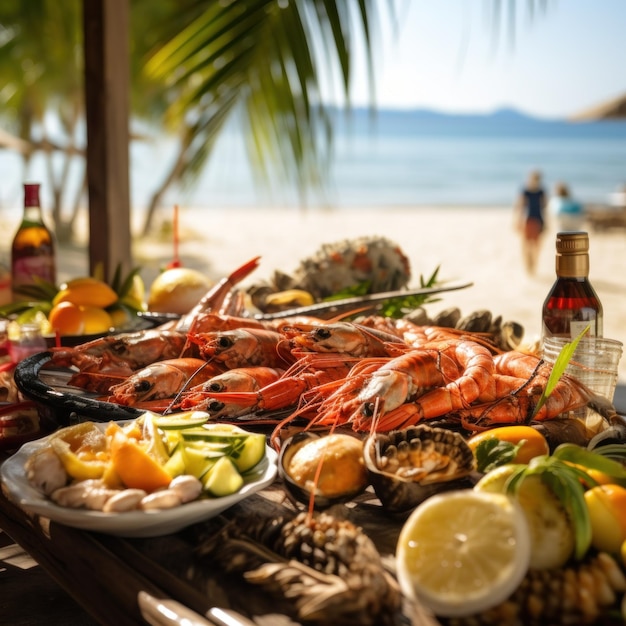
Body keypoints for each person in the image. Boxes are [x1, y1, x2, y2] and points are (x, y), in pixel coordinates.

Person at [515, 170, 547, 274]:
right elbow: (520, 207)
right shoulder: (525, 191)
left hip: (538, 220)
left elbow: (545, 208)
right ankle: (528, 265)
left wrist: (546, 222)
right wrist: (518, 221)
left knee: (536, 245)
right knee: (526, 245)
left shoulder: (541, 192)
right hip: (528, 220)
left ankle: (533, 264)